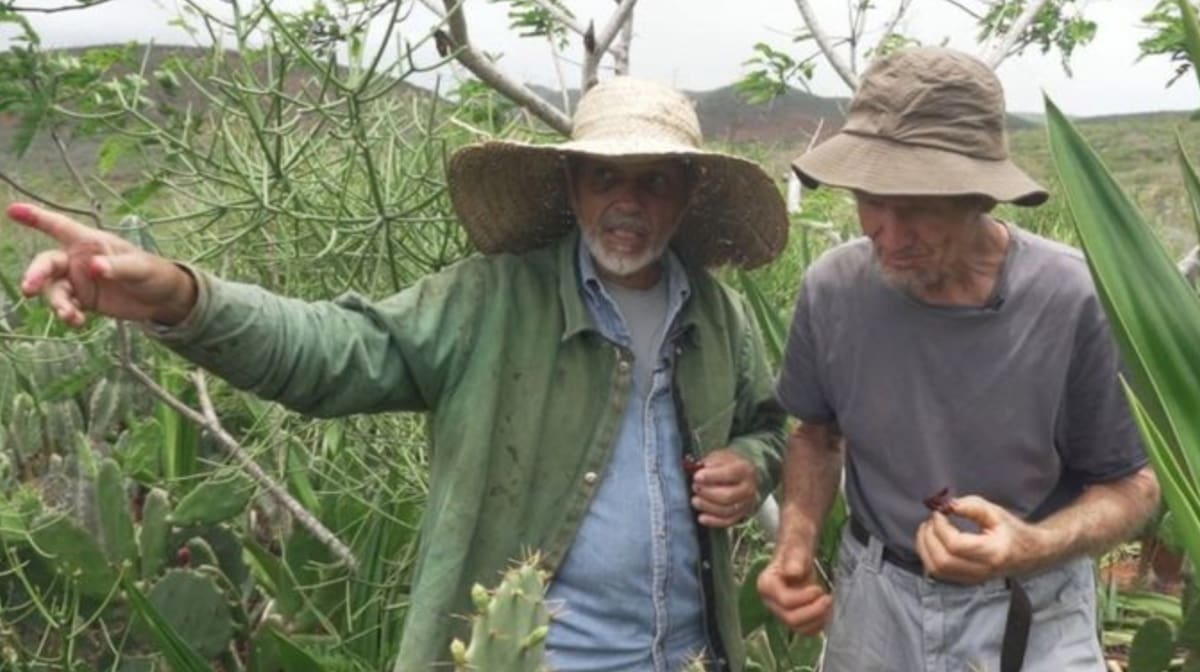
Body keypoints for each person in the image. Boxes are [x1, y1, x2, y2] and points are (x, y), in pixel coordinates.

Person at [8, 76, 790, 672]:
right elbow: (329, 350)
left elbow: (765, 426)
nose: (628, 202)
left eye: (656, 179)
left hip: (689, 655)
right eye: (606, 178)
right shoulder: (490, 300)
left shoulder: (717, 317)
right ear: (571, 186)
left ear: (688, 195)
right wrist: (182, 297)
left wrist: (751, 468)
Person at [756, 47, 1160, 672]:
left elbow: (1132, 486)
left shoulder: (1072, 300)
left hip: (1033, 606)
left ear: (979, 196)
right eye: (870, 197)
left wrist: (1031, 546)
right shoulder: (832, 289)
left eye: (915, 204)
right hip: (875, 604)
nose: (884, 231)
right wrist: (796, 544)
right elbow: (816, 433)